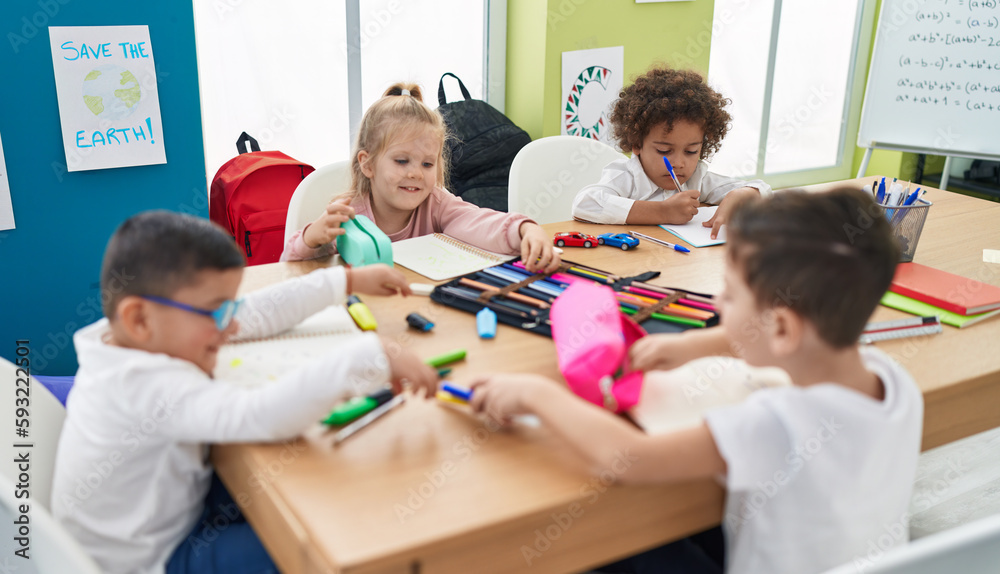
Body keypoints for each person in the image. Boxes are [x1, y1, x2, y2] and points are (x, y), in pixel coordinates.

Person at [471, 188, 924, 573]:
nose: (717, 301)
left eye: (730, 293)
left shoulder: (778, 422)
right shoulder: (893, 379)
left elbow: (631, 459)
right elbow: (782, 339)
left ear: (784, 328)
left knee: (614, 537)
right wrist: (694, 345)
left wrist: (537, 393)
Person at [52, 211, 438, 574]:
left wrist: (345, 282)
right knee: (308, 545)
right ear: (139, 319)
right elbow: (259, 416)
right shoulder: (141, 385)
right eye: (216, 311)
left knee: (302, 495)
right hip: (155, 559)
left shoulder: (127, 338)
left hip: (164, 517)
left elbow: (250, 313)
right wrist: (371, 355)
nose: (233, 326)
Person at [282, 83, 560, 273]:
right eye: (401, 161)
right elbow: (290, 267)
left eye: (427, 163)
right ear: (368, 164)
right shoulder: (347, 214)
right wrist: (312, 239)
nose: (415, 173)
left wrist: (525, 229)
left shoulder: (436, 203)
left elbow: (478, 222)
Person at [572, 67, 771, 238]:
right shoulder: (626, 176)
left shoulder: (697, 178)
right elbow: (585, 204)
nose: (678, 163)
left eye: (691, 151)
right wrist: (662, 212)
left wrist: (742, 195)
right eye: (664, 150)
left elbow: (762, 189)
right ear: (637, 144)